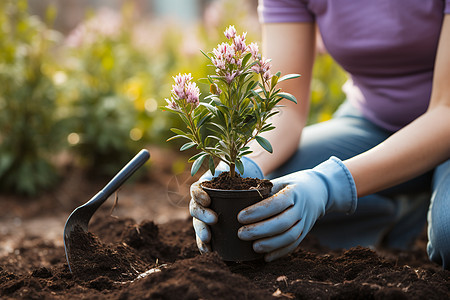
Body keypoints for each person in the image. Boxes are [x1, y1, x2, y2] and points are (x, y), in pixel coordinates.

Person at [190, 0, 450, 269]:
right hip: (374, 123)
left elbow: (447, 111)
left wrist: (329, 185)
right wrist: (236, 169)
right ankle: (392, 213)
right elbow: (284, 109)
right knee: (264, 190)